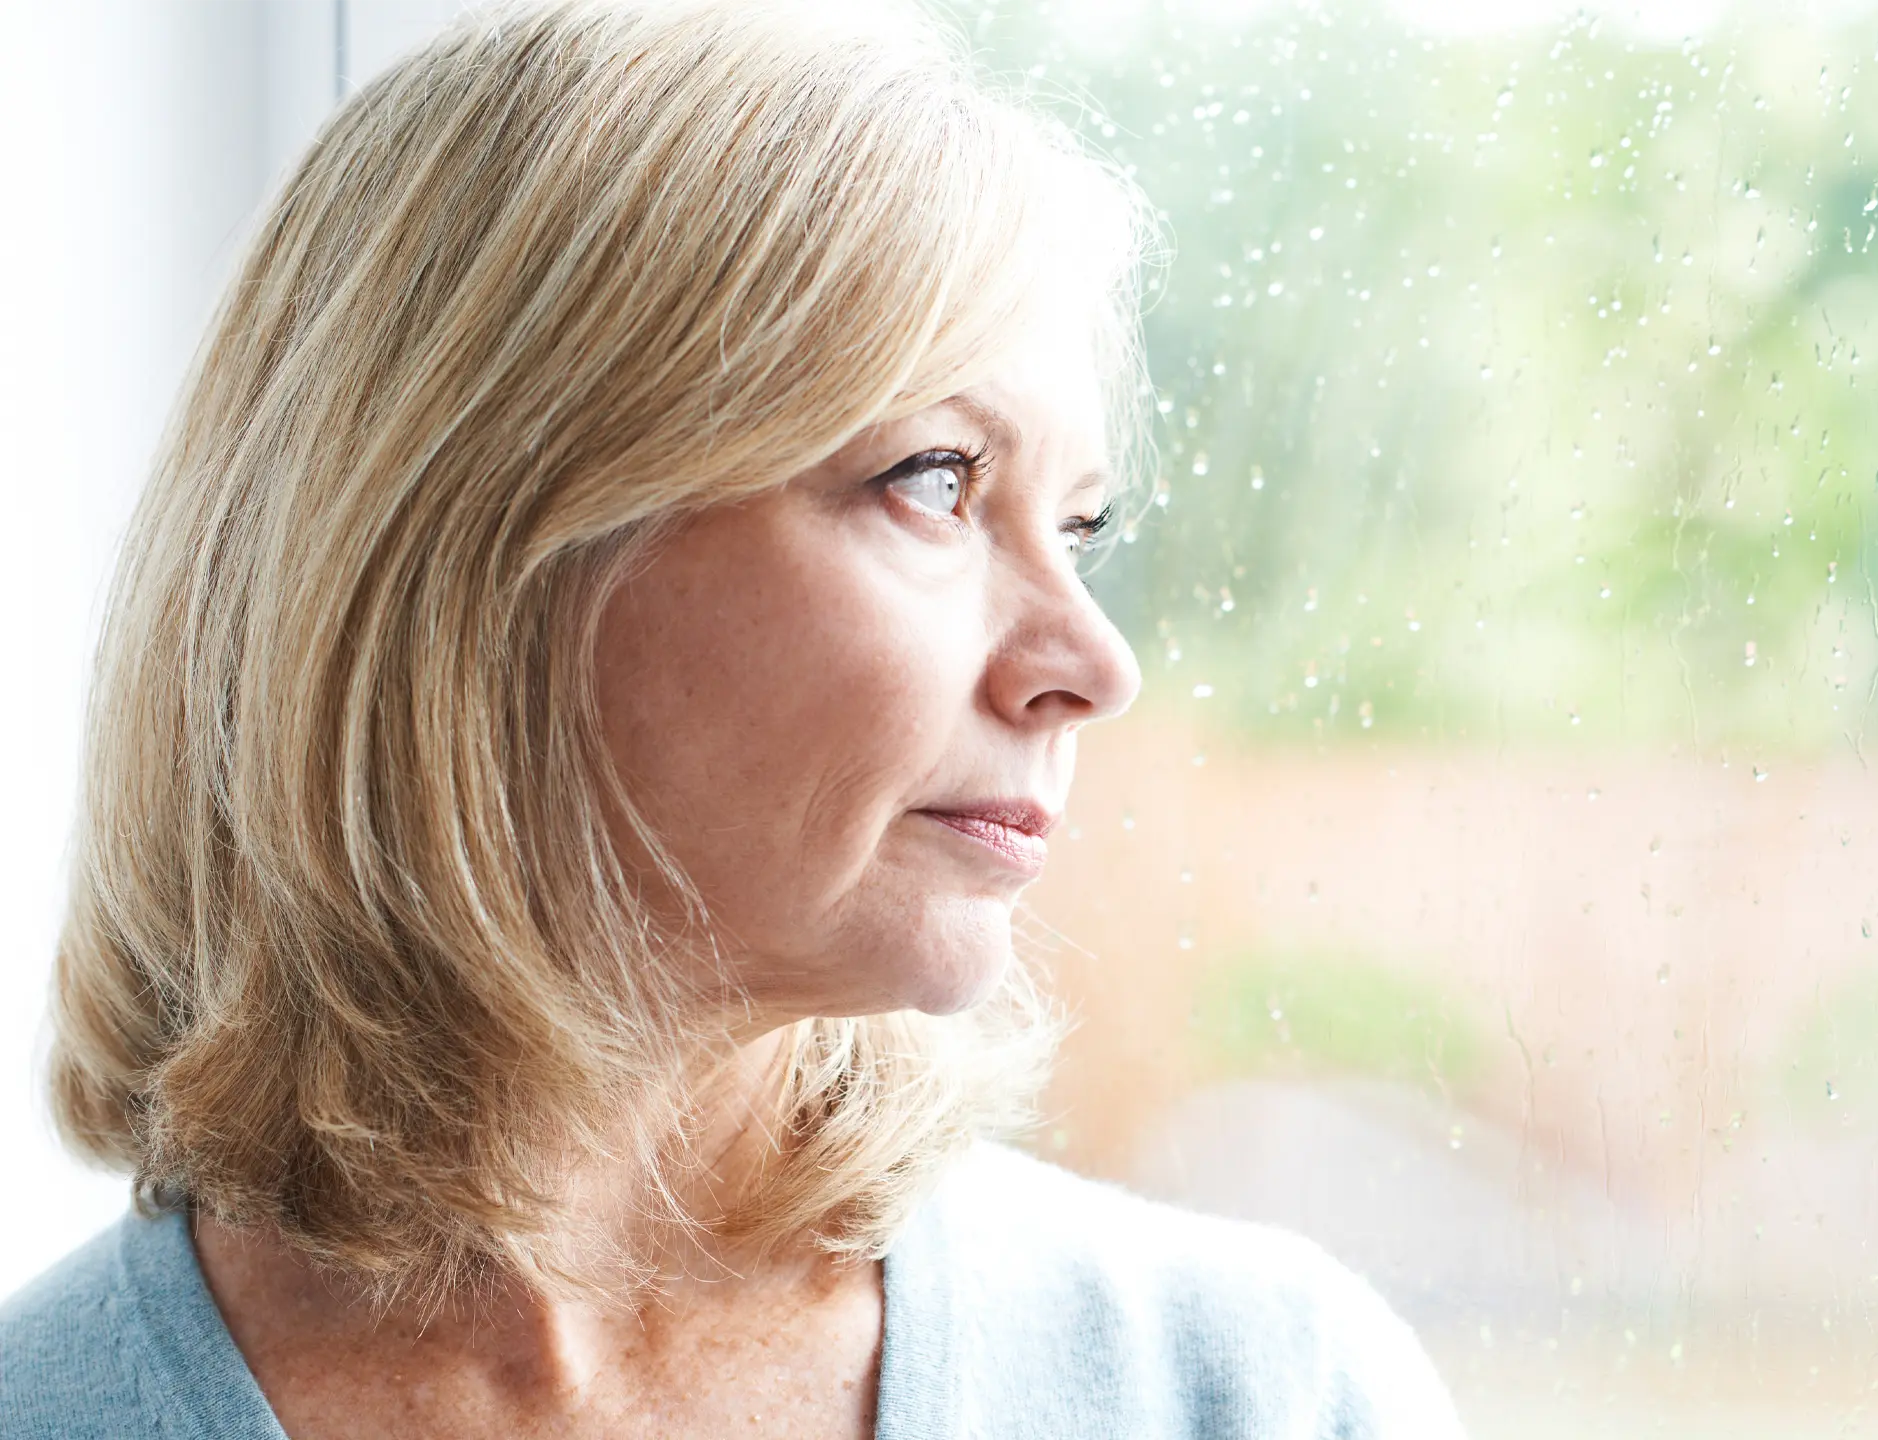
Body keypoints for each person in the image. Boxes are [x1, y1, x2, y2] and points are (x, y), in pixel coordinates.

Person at [0, 2, 1464, 1435]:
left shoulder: (1258, 1391)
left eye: (1078, 524)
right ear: (476, 546)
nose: (1093, 660)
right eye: (938, 481)